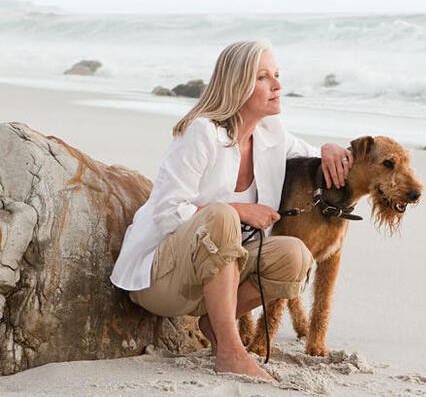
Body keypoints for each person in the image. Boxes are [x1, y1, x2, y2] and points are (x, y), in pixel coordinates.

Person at [110, 40, 353, 381]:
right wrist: (239, 210)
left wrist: (330, 148)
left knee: (297, 256)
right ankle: (229, 349)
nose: (278, 85)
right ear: (236, 84)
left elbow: (313, 154)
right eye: (263, 77)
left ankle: (215, 321)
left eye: (277, 75)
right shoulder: (201, 132)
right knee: (223, 216)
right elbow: (166, 211)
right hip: (163, 279)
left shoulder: (270, 133)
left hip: (220, 283)